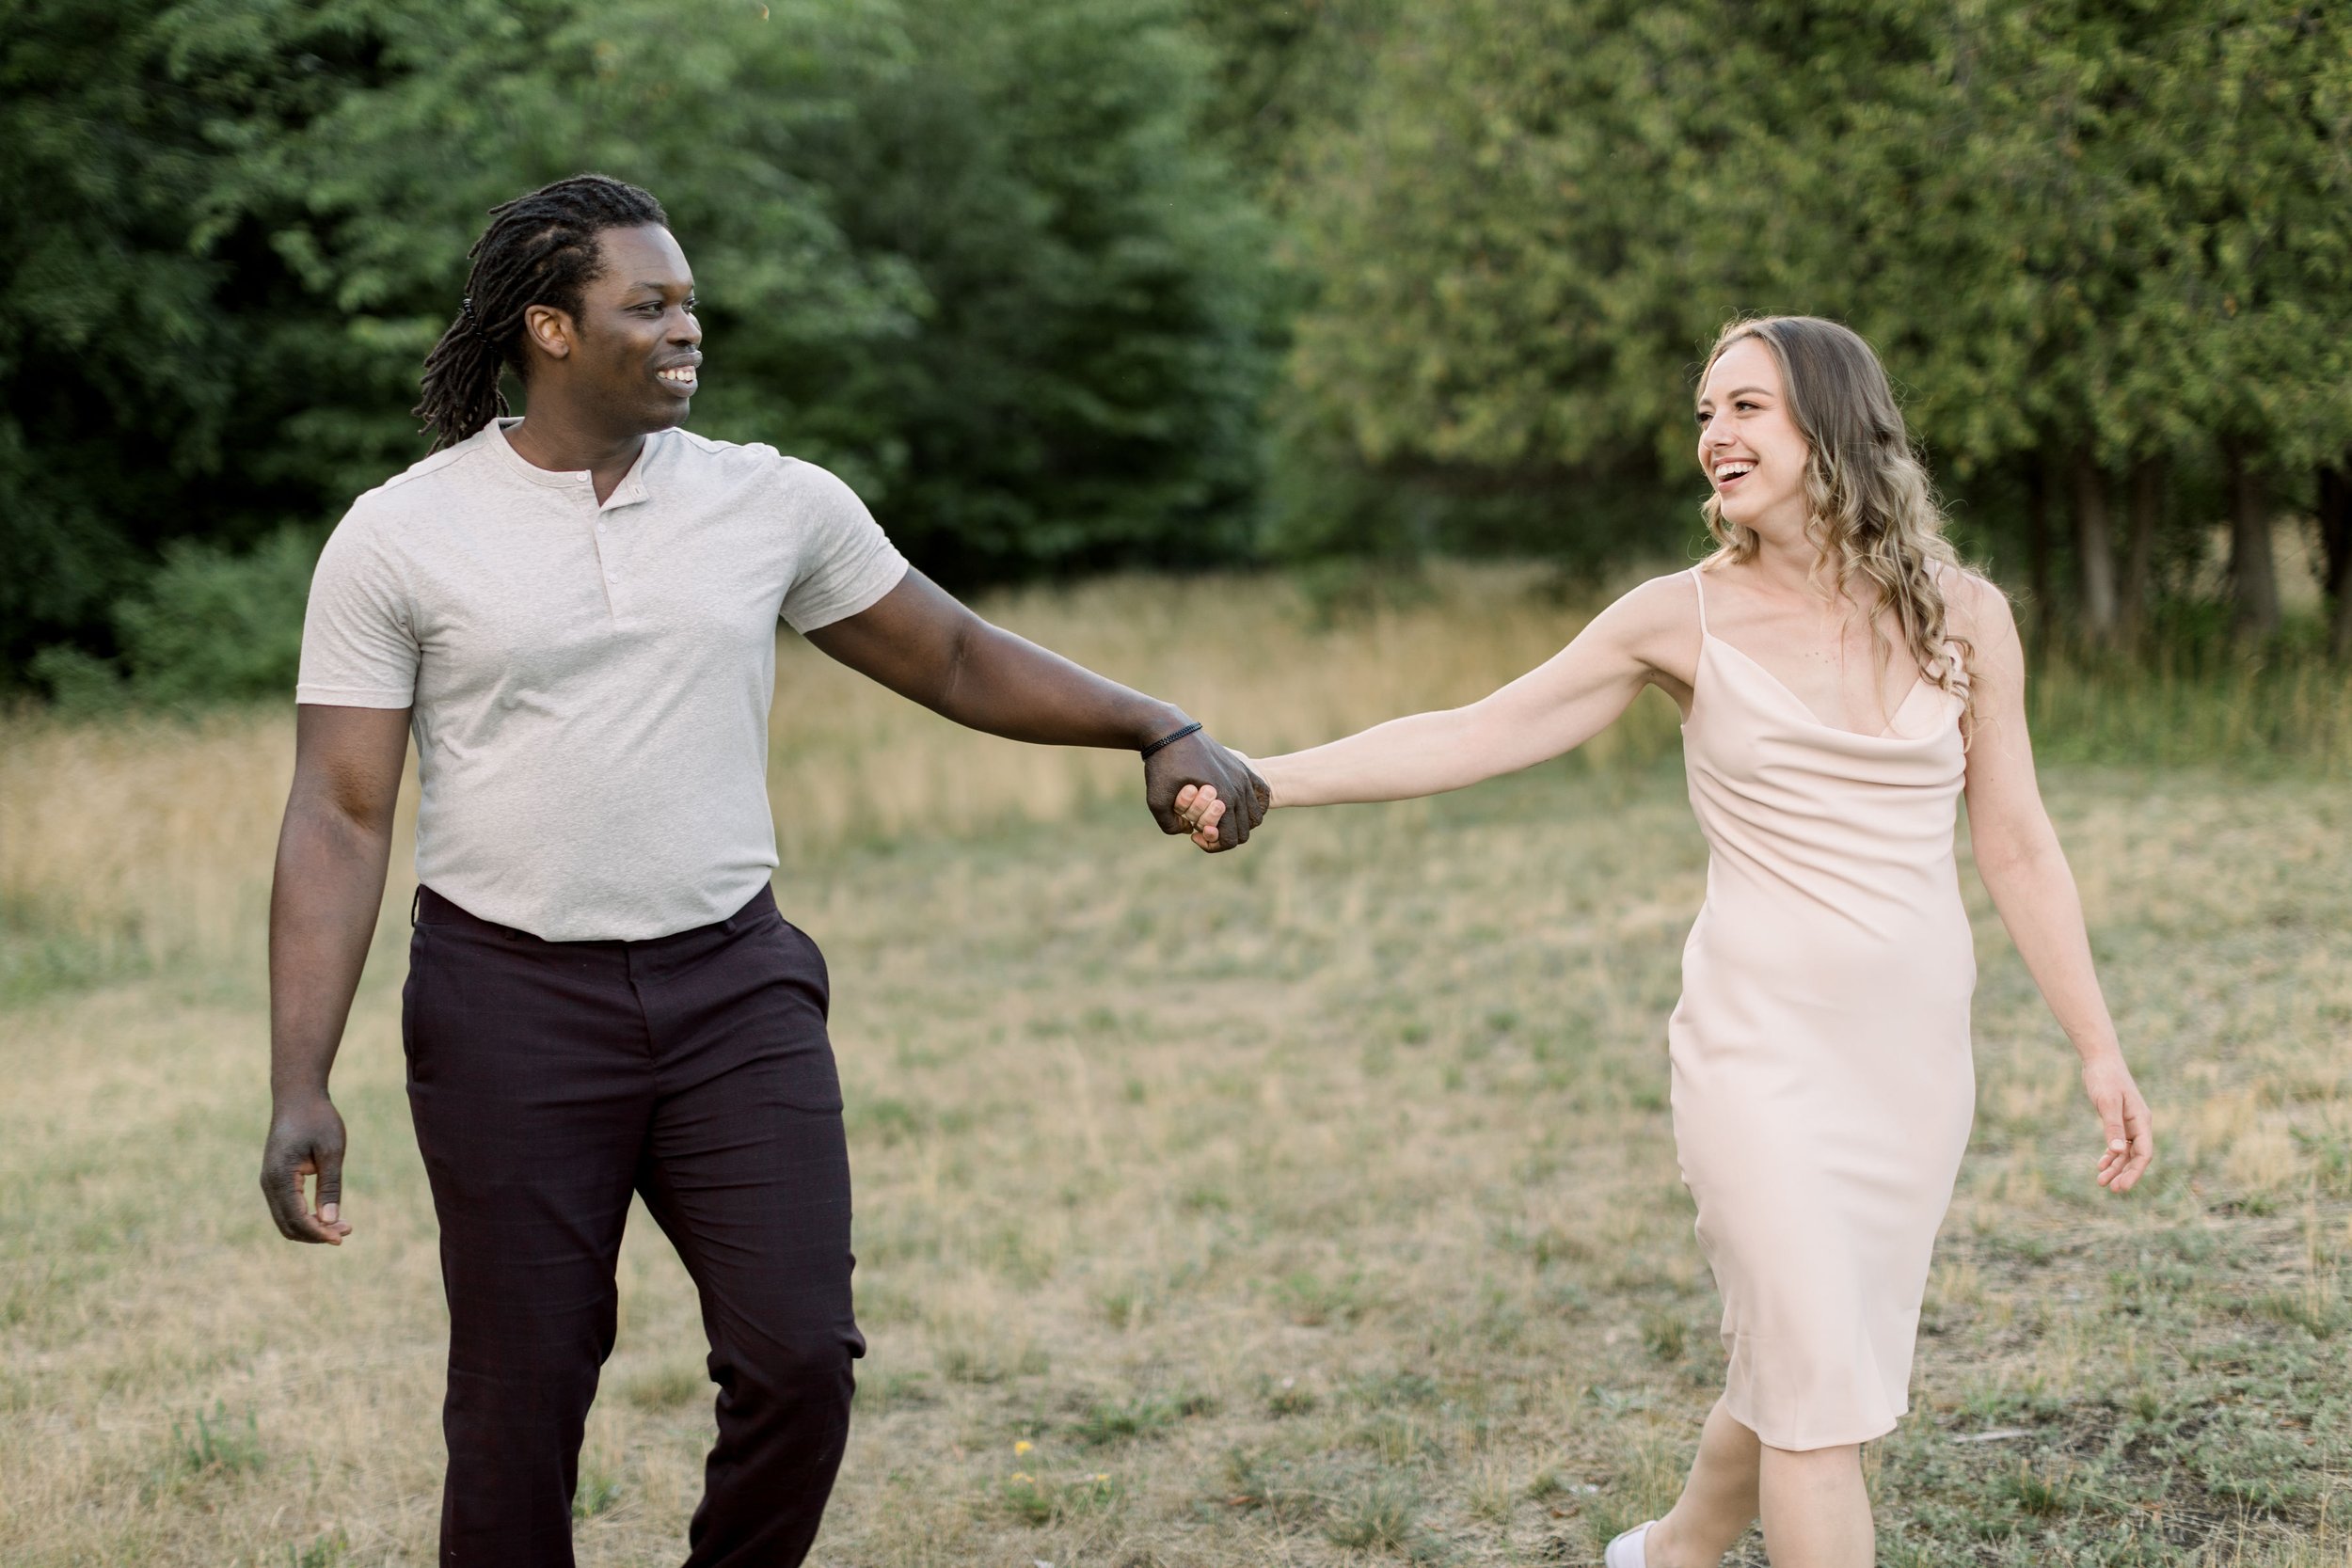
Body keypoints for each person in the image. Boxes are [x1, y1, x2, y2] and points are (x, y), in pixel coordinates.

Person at [259, 173, 1263, 1568]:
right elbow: (339, 812)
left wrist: (1152, 723)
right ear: (548, 327)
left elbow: (959, 655)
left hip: (734, 988)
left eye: (691, 306)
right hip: (507, 1009)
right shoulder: (402, 534)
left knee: (802, 1361)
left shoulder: (769, 501)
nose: (688, 331)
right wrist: (301, 1078)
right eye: (649, 306)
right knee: (521, 1401)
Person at [1175, 316, 2155, 1568]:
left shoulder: (1968, 619)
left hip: (1912, 1070)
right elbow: (1473, 731)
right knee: (1818, 1407)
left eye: (1744, 407)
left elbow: (2015, 843)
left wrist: (2097, 1044)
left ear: (1831, 422)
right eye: (1704, 414)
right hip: (1760, 1058)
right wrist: (1262, 777)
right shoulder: (1676, 621)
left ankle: (1678, 1551)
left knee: (1811, 1364)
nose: (1713, 438)